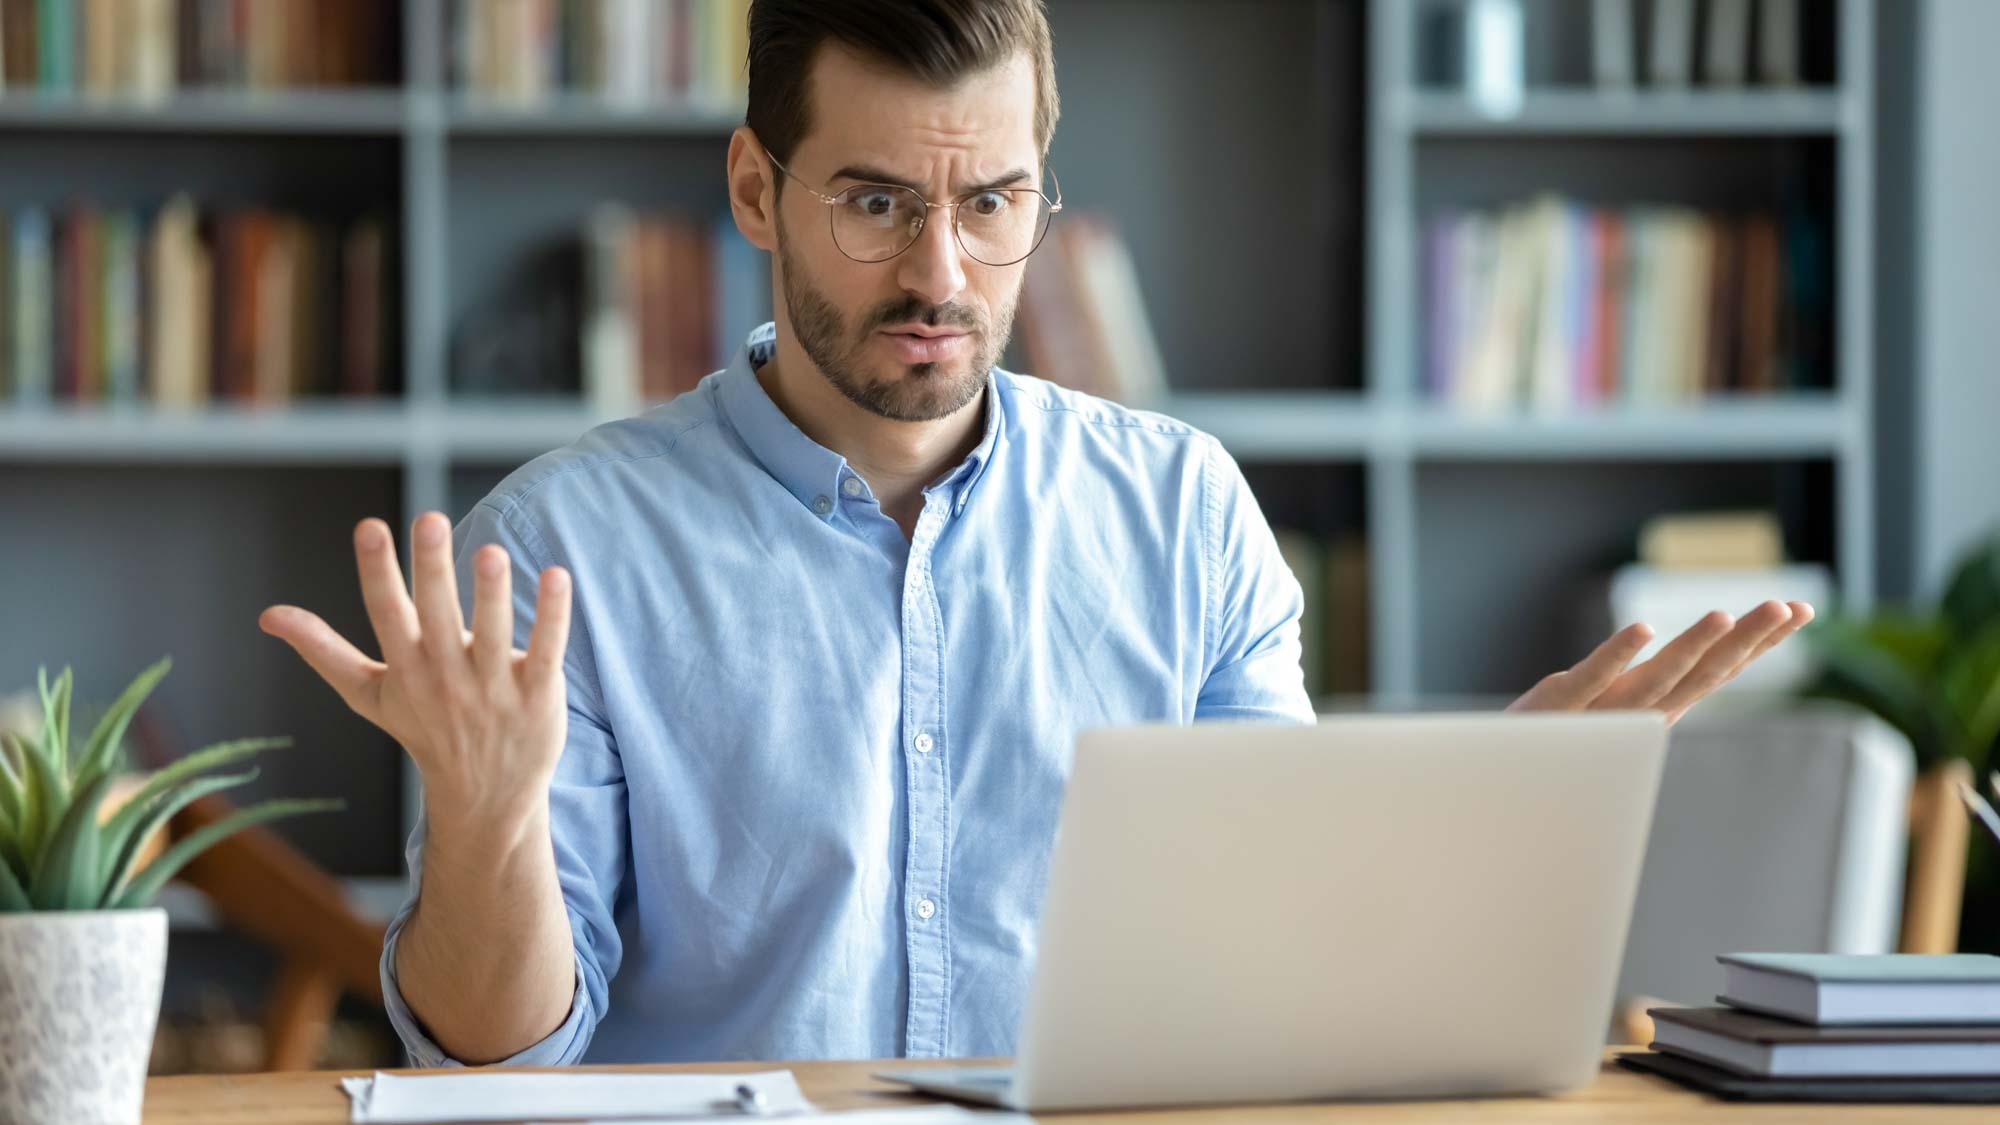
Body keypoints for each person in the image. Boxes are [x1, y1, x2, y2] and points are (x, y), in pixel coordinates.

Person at [257, 0, 1813, 1067]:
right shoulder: (565, 550)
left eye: (992, 203)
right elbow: (502, 1050)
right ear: (756, 185)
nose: (941, 271)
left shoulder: (1186, 514)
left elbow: (1277, 977)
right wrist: (486, 828)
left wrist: (1466, 818)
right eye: (873, 203)